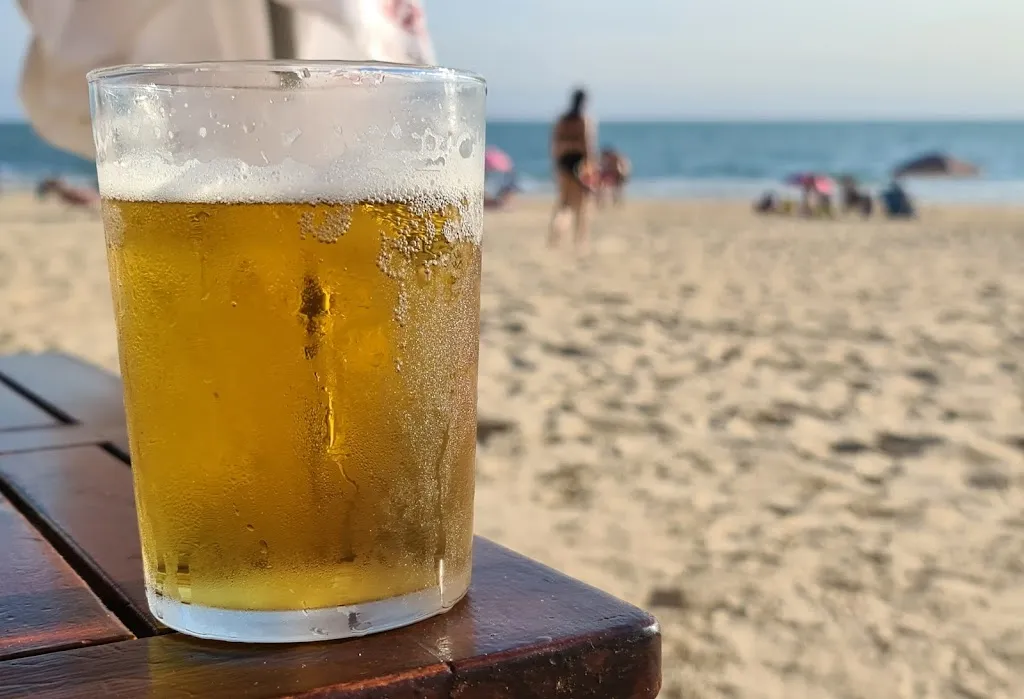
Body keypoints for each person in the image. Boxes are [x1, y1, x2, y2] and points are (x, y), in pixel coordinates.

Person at [549, 88, 597, 252]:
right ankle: (580, 242)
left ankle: (556, 234)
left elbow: (555, 145)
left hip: (563, 164)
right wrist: (591, 168)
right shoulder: (584, 121)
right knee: (582, 206)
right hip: (580, 165)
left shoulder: (562, 120)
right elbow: (588, 146)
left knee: (564, 204)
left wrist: (557, 164)